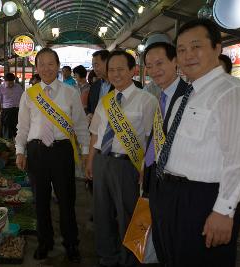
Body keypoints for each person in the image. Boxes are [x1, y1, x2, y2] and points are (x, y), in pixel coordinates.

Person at [153, 19, 240, 267]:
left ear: (217, 48)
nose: (187, 55)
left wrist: (224, 210)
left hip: (202, 200)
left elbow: (238, 158)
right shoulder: (189, 93)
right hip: (170, 194)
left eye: (196, 46)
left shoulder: (232, 92)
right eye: (181, 49)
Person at [15, 48, 89, 263]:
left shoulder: (70, 93)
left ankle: (71, 243)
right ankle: (44, 242)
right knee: (40, 201)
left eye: (51, 64)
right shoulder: (29, 94)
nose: (46, 68)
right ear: (36, 68)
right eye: (42, 64)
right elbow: (23, 127)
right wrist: (20, 151)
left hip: (62, 150)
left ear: (57, 66)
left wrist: (84, 152)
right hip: (36, 151)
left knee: (67, 200)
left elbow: (81, 126)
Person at [85, 50, 157, 267]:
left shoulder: (147, 100)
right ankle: (107, 257)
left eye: (120, 69)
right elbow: (96, 133)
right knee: (102, 213)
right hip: (102, 162)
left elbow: (152, 139)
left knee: (127, 214)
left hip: (128, 166)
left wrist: (146, 168)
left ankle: (129, 260)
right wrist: (90, 161)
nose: (115, 74)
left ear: (133, 70)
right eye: (111, 70)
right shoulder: (104, 100)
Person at [141, 40, 188, 263]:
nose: (154, 70)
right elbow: (156, 137)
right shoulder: (161, 96)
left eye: (160, 63)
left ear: (175, 62)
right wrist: (146, 167)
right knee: (160, 237)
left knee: (174, 241)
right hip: (156, 180)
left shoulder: (187, 95)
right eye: (149, 66)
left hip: (178, 185)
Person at [0, 73, 24, 139]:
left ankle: (18, 148)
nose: (11, 85)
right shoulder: (0, 88)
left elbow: (23, 99)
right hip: (6, 112)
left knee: (18, 132)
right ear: (4, 81)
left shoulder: (18, 87)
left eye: (12, 83)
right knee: (7, 134)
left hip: (17, 111)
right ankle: (8, 148)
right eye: (9, 83)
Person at [87, 50, 112, 118]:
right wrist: (89, 114)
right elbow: (89, 107)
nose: (95, 69)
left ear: (108, 62)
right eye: (93, 66)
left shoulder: (123, 85)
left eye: (96, 65)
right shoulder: (94, 86)